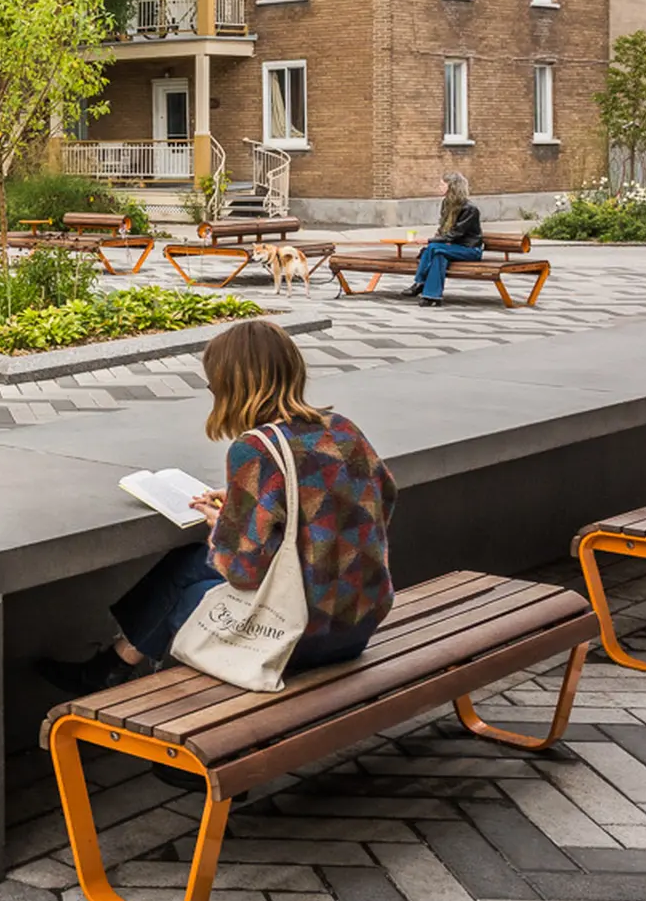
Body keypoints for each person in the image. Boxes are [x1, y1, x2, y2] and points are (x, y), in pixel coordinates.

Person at [42, 319, 395, 694]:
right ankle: (110, 666)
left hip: (297, 637)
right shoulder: (342, 429)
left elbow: (243, 571)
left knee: (184, 584)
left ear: (230, 386)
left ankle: (121, 683)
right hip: (359, 621)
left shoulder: (255, 449)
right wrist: (264, 508)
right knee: (186, 566)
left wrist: (222, 526)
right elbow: (382, 499)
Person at [408, 171, 485, 307]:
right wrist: (436, 240)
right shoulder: (447, 204)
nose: (439, 187)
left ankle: (420, 282)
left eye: (442, 184)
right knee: (438, 255)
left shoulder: (470, 209)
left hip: (469, 250)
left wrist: (429, 240)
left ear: (452, 187)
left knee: (433, 248)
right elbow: (443, 229)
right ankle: (432, 296)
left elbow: (456, 234)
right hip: (450, 248)